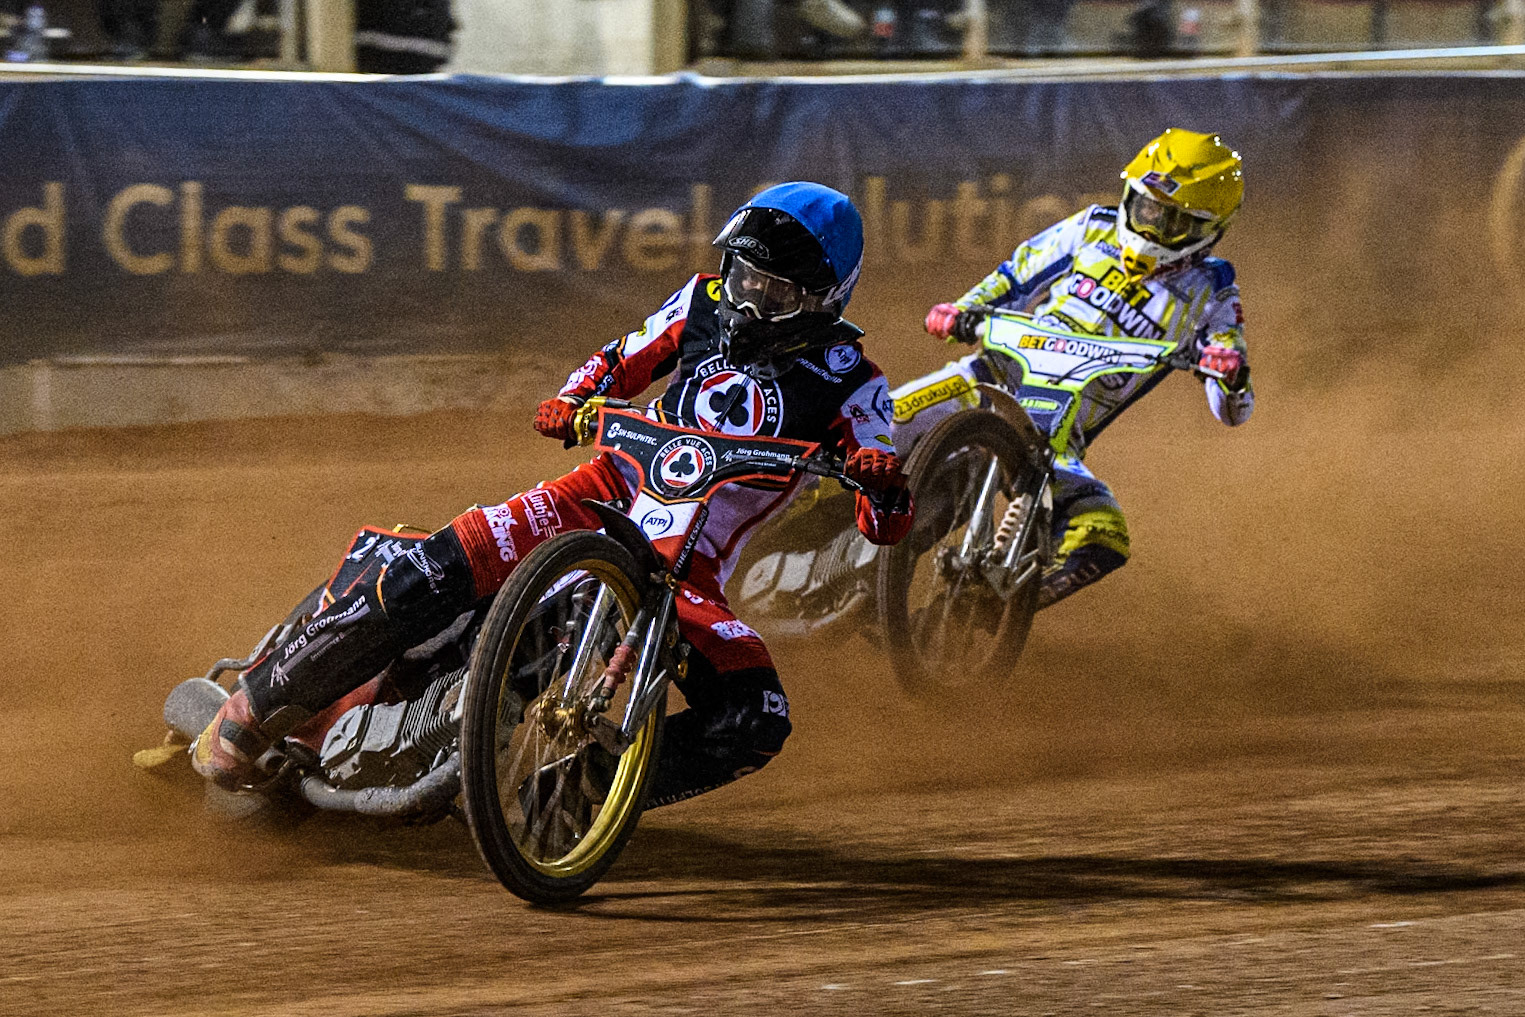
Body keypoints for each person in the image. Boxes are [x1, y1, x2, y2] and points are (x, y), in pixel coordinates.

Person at [192, 182, 914, 809]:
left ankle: (571, 797)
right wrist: (572, 399)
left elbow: (885, 519)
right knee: (443, 561)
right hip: (597, 491)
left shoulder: (855, 380)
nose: (748, 299)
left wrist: (880, 481)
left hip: (687, 571)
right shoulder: (702, 299)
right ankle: (252, 707)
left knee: (757, 717)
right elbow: (619, 358)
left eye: (773, 291)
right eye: (744, 276)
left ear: (824, 299)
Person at [898, 128, 1253, 609]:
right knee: (873, 425)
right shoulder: (1092, 228)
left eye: (1173, 221)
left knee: (1102, 534)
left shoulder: (1213, 291)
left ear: (1208, 230)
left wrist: (1230, 374)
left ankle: (988, 608)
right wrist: (962, 309)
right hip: (989, 376)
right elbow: (1016, 276)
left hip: (1054, 437)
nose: (1152, 227)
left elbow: (1233, 410)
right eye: (1147, 208)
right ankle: (802, 506)